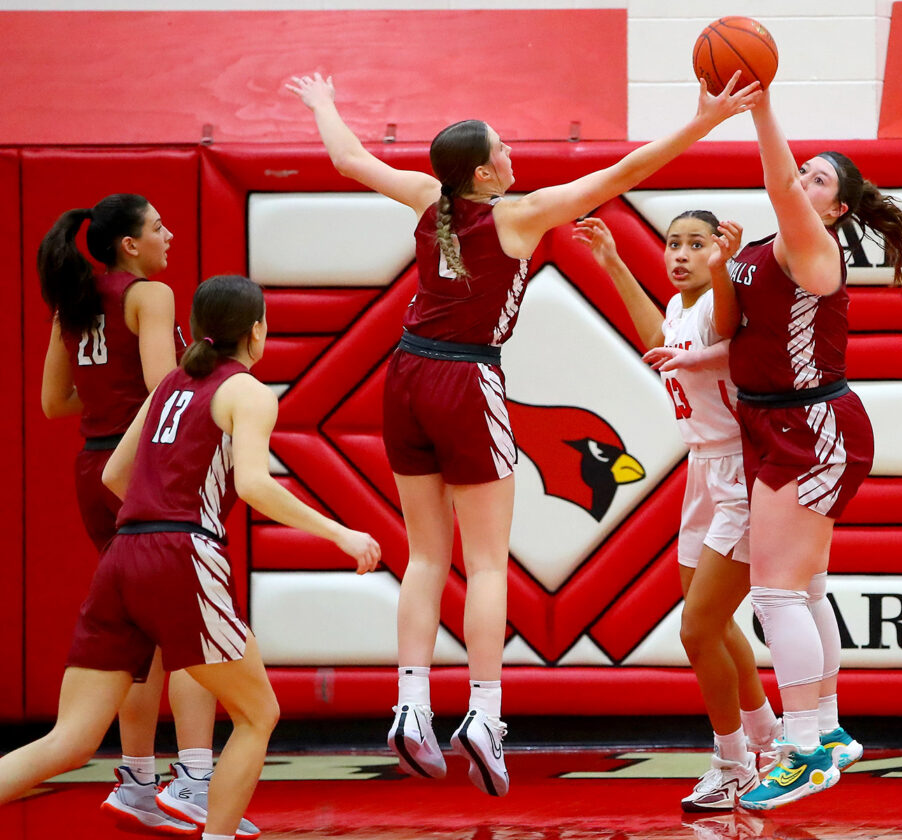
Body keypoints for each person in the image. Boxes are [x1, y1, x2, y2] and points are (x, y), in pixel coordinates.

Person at [286, 69, 762, 796]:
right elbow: (625, 172)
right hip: (464, 378)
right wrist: (705, 121)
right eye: (502, 148)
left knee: (425, 556)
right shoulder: (520, 214)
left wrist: (323, 103)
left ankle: (411, 705)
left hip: (404, 374)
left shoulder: (427, 197)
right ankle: (483, 716)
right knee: (483, 564)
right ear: (483, 173)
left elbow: (349, 159)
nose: (512, 153)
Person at [0, 274, 382, 840]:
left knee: (70, 741)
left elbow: (113, 475)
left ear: (199, 328)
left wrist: (153, 517)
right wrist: (339, 533)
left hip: (123, 553)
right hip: (181, 552)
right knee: (258, 714)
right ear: (257, 330)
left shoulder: (167, 386)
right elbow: (253, 484)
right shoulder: (248, 391)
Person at [707, 93, 902, 809]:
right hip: (777, 423)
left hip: (811, 427)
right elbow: (746, 334)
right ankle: (827, 730)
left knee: (774, 593)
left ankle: (802, 751)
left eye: (818, 179)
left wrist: (761, 107)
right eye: (803, 171)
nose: (802, 180)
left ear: (835, 211)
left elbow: (776, 182)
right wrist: (699, 357)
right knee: (803, 590)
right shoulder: (768, 247)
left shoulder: (813, 247)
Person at [574, 212, 780, 812]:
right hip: (702, 469)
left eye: (696, 244)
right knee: (711, 620)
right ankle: (767, 738)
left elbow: (729, 323)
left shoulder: (720, 302)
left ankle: (732, 764)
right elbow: (657, 344)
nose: (681, 254)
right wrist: (613, 262)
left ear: (716, 250)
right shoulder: (679, 305)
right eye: (673, 244)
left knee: (697, 629)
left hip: (739, 469)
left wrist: (724, 267)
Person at [38, 194, 227, 835]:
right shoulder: (151, 295)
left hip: (91, 468)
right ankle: (194, 779)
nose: (168, 235)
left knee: (141, 632)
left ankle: (139, 782)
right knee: (192, 625)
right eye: (157, 227)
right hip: (140, 469)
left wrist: (106, 396)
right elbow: (161, 388)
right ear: (129, 245)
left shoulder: (74, 301)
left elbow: (54, 402)